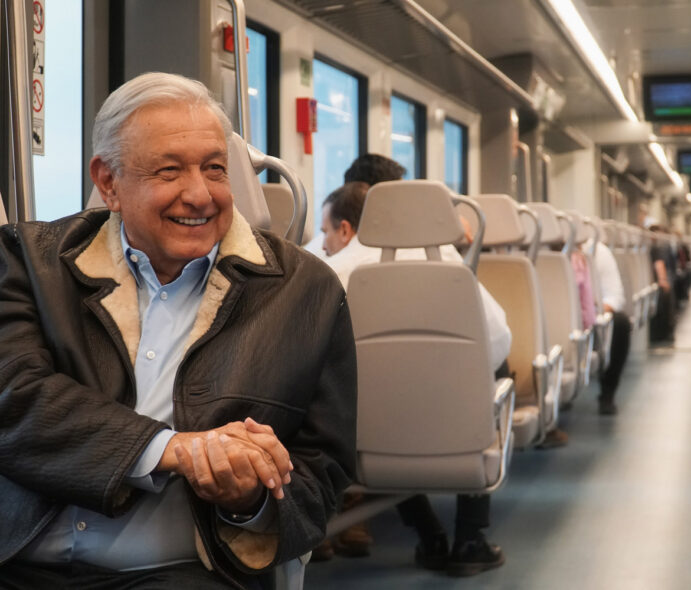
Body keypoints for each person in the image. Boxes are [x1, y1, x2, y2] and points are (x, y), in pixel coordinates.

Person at [0, 72, 356, 590]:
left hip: (185, 573)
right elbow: (14, 399)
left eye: (215, 169)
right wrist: (180, 451)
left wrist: (248, 501)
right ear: (108, 183)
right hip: (19, 559)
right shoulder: (28, 263)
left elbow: (322, 475)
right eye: (169, 172)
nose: (200, 195)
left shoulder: (306, 292)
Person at [317, 178, 511, 577]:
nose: (322, 243)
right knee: (485, 378)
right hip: (457, 441)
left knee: (375, 404)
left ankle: (429, 533)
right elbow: (499, 340)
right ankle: (470, 539)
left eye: (324, 232)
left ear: (346, 229)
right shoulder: (451, 267)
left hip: (365, 447)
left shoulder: (327, 275)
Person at [585, 238, 632, 416]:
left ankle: (608, 392)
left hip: (590, 316)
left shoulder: (597, 252)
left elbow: (614, 298)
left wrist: (587, 311)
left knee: (620, 323)